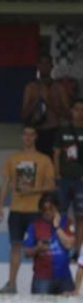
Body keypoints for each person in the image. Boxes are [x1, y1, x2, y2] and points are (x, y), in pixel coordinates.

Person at [0, 126, 56, 294]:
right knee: (16, 245)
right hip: (16, 209)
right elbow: (5, 184)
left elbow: (52, 185)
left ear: (36, 137)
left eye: (31, 134)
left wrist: (33, 190)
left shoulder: (44, 160)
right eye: (25, 134)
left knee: (41, 247)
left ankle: (44, 283)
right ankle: (12, 284)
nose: (28, 137)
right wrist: (0, 207)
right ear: (22, 137)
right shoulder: (12, 159)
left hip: (36, 210)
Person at [23, 193, 74, 295]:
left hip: (64, 277)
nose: (47, 212)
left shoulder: (67, 222)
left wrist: (57, 227)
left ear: (56, 207)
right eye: (44, 209)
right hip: (42, 277)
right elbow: (26, 253)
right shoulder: (34, 225)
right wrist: (38, 248)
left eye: (51, 208)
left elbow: (68, 244)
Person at [22, 54, 69, 155]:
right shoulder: (31, 87)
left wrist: (49, 102)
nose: (44, 66)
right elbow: (23, 116)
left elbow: (68, 115)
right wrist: (37, 99)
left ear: (52, 66)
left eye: (47, 63)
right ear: (38, 66)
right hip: (35, 132)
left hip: (53, 132)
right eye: (41, 63)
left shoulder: (58, 88)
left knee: (52, 165)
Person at [53, 98, 83, 253]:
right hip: (64, 179)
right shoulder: (63, 130)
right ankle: (61, 248)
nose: (79, 112)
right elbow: (56, 154)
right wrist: (57, 175)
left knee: (80, 217)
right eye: (76, 109)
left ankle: (77, 251)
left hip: (81, 181)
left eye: (82, 109)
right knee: (61, 214)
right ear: (71, 111)